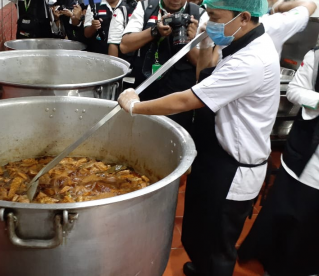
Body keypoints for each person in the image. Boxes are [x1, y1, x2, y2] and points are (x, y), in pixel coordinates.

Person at [117, 0, 279, 275]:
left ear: (243, 17)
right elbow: (204, 71)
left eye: (215, 17)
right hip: (214, 153)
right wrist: (203, 43)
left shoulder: (251, 60)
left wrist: (135, 106)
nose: (211, 23)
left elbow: (187, 100)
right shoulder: (240, 42)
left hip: (233, 167)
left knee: (218, 244)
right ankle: (202, 265)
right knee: (199, 230)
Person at [237, 42, 319, 276]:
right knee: (292, 213)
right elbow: (294, 91)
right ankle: (275, 265)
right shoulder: (316, 57)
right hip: (308, 155)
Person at [119, 0, 206, 131]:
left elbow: (202, 66)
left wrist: (191, 40)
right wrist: (155, 31)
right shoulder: (146, 7)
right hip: (147, 86)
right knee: (140, 133)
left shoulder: (199, 14)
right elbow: (125, 46)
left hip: (180, 96)